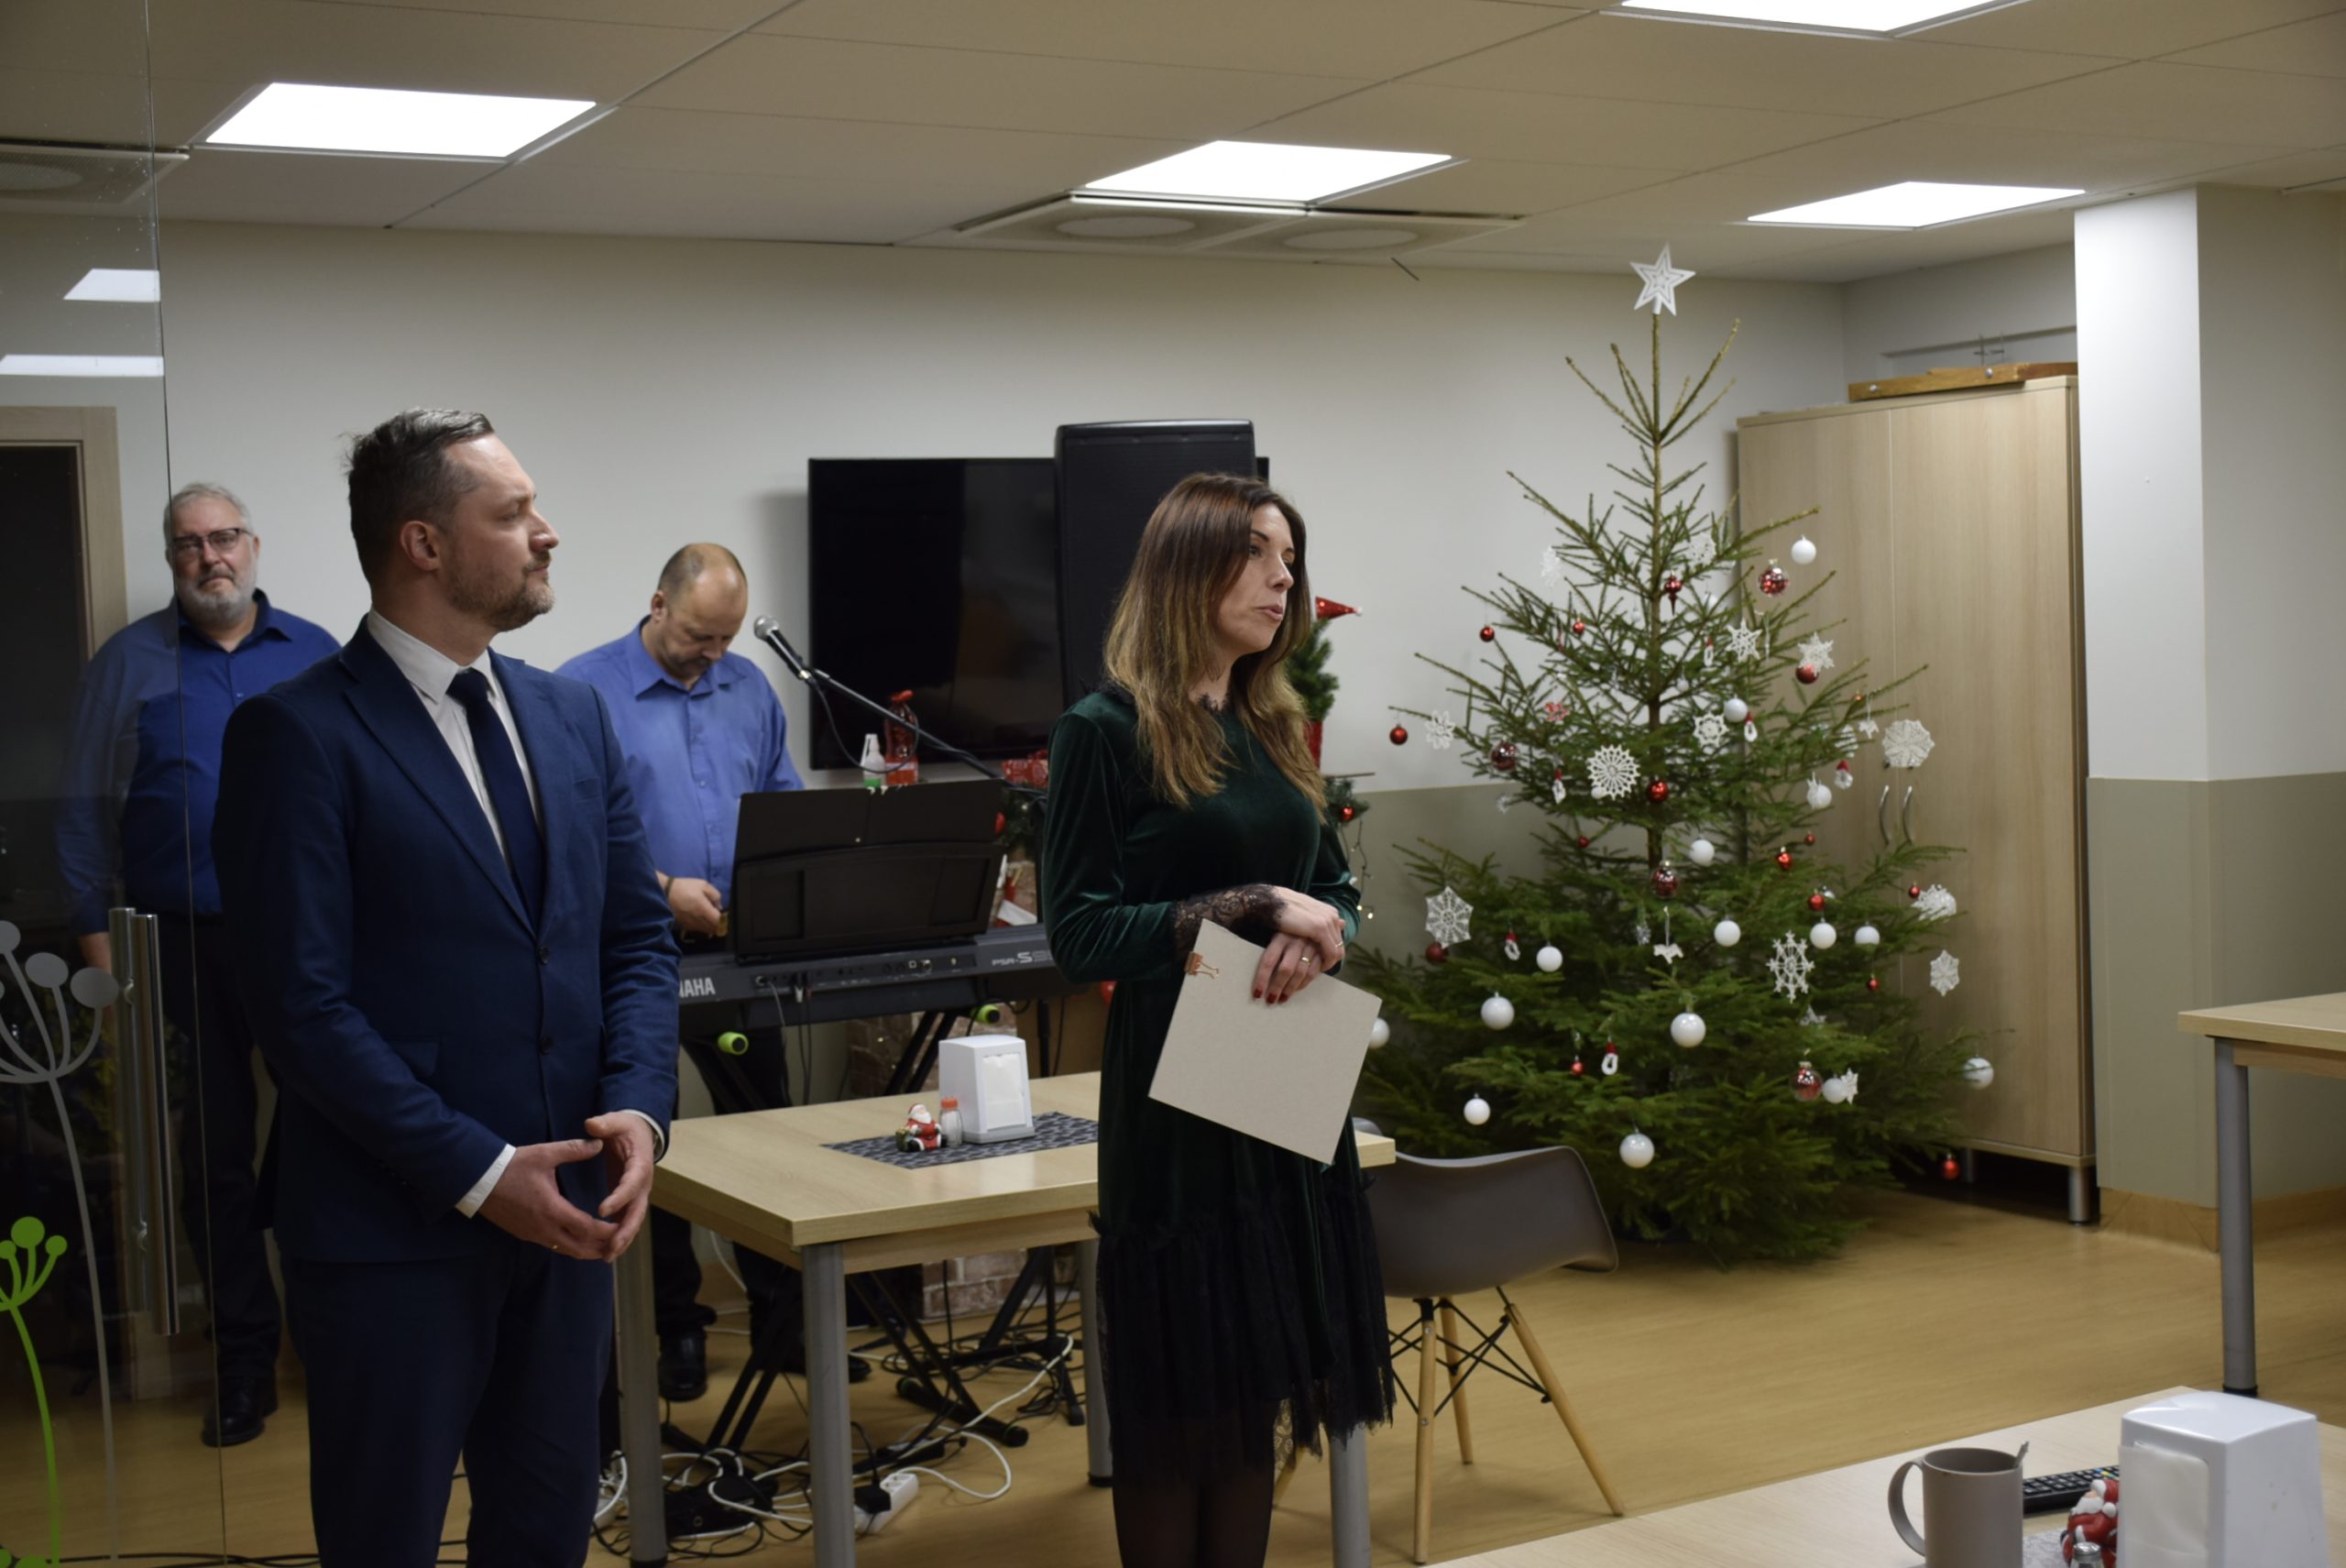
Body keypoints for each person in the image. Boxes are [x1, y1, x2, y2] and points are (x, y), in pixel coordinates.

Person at [212, 410, 677, 1565]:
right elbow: (301, 1010)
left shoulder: (570, 714)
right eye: (512, 514)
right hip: (391, 1236)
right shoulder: (295, 734)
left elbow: (633, 940)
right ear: (422, 543)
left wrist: (638, 1105)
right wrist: (480, 1171)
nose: (547, 532)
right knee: (385, 1540)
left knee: (545, 1533)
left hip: (568, 1220)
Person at [1039, 474, 1393, 1568]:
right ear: (1188, 568)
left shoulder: (1273, 723)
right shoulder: (1103, 731)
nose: (1284, 577)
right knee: (1178, 1401)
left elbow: (1335, 886)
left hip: (1281, 1081)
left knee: (1252, 1387)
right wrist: (1248, 904)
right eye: (1256, 552)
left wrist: (1320, 929)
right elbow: (1080, 935)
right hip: (1175, 1104)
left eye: (1289, 556)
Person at [56, 481, 339, 1447]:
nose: (209, 556)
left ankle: (334, 1341)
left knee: (330, 1132)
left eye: (224, 538)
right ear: (172, 557)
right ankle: (244, 1361)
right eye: (189, 543)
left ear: (253, 545)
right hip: (175, 943)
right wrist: (106, 965)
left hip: (304, 938)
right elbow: (81, 816)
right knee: (210, 1157)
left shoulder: (316, 654)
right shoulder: (127, 662)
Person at [556, 543, 807, 1401]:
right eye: (700, 635)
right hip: (632, 954)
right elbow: (573, 834)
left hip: (739, 950)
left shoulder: (749, 687)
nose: (714, 653)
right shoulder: (583, 692)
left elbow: (779, 802)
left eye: (727, 638)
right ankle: (678, 1329)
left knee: (765, 1131)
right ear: (657, 604)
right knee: (645, 1137)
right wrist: (663, 889)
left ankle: (785, 1324)